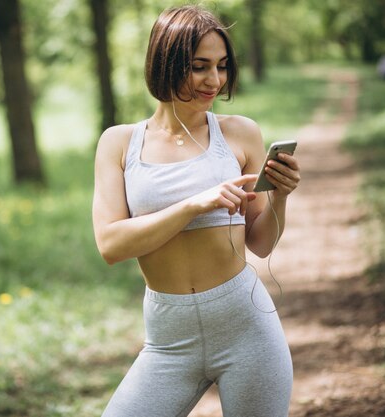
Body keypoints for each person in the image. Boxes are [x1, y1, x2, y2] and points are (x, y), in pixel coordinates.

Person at [92, 5, 300, 417]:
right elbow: (111, 245)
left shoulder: (240, 133)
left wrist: (280, 196)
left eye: (221, 66)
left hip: (246, 326)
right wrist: (193, 205)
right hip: (169, 339)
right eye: (199, 66)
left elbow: (260, 242)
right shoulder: (119, 143)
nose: (214, 80)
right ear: (165, 64)